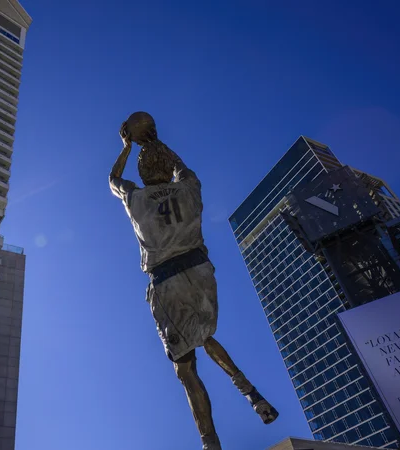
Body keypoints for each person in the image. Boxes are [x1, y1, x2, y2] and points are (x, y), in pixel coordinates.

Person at [109, 112, 278, 450]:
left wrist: (128, 147)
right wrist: (156, 142)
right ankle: (251, 393)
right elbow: (180, 166)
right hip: (200, 272)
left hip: (166, 280)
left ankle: (210, 442)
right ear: (166, 166)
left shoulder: (136, 198)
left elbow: (113, 179)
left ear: (142, 173)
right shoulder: (189, 188)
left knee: (185, 368)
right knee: (204, 335)